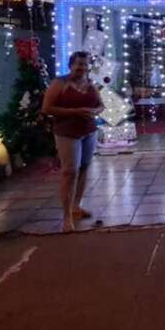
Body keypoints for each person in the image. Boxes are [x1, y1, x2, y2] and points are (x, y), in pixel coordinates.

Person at [42, 51, 104, 232]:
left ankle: (77, 206)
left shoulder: (90, 84)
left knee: (84, 168)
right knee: (69, 172)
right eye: (78, 64)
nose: (81, 68)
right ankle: (66, 217)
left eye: (84, 65)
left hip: (89, 131)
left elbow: (101, 105)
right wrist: (75, 112)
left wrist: (95, 112)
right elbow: (47, 108)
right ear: (71, 65)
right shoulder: (59, 83)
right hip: (67, 133)